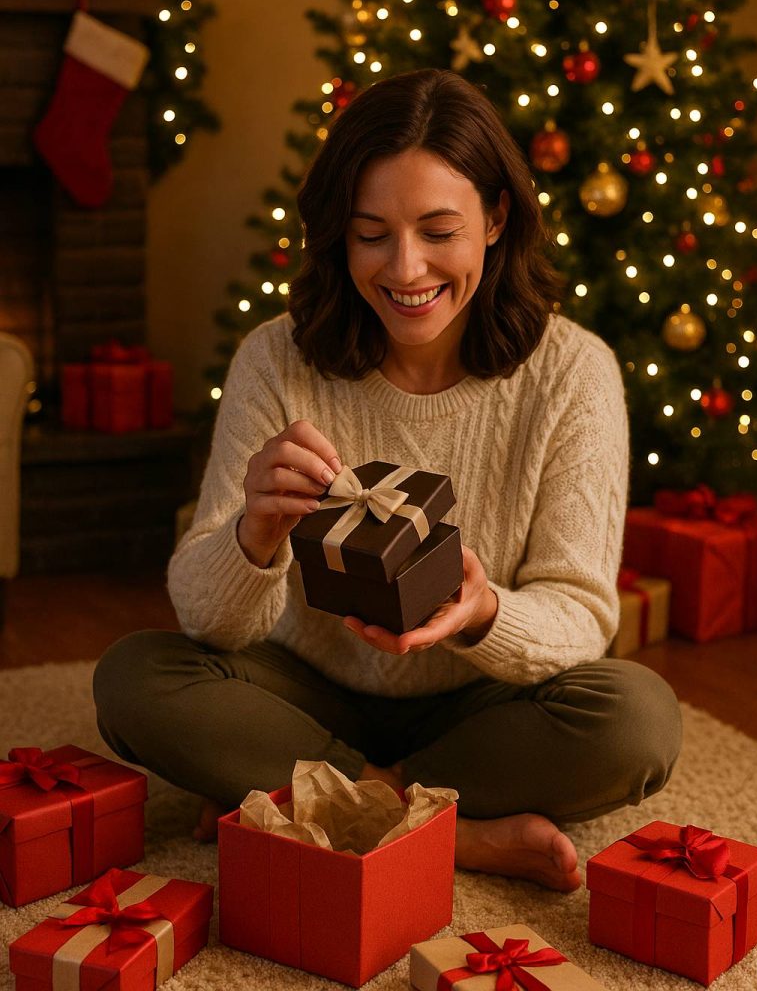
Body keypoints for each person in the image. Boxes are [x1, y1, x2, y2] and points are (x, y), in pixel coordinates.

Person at [94, 68, 682, 892]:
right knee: (134, 680)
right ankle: (460, 837)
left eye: (439, 230)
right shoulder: (278, 359)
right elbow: (203, 617)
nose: (406, 270)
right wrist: (252, 536)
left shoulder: (572, 372)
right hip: (305, 692)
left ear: (496, 218)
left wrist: (482, 613)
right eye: (372, 234)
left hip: (477, 701)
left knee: (637, 720)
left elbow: (582, 612)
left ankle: (307, 803)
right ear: (339, 233)